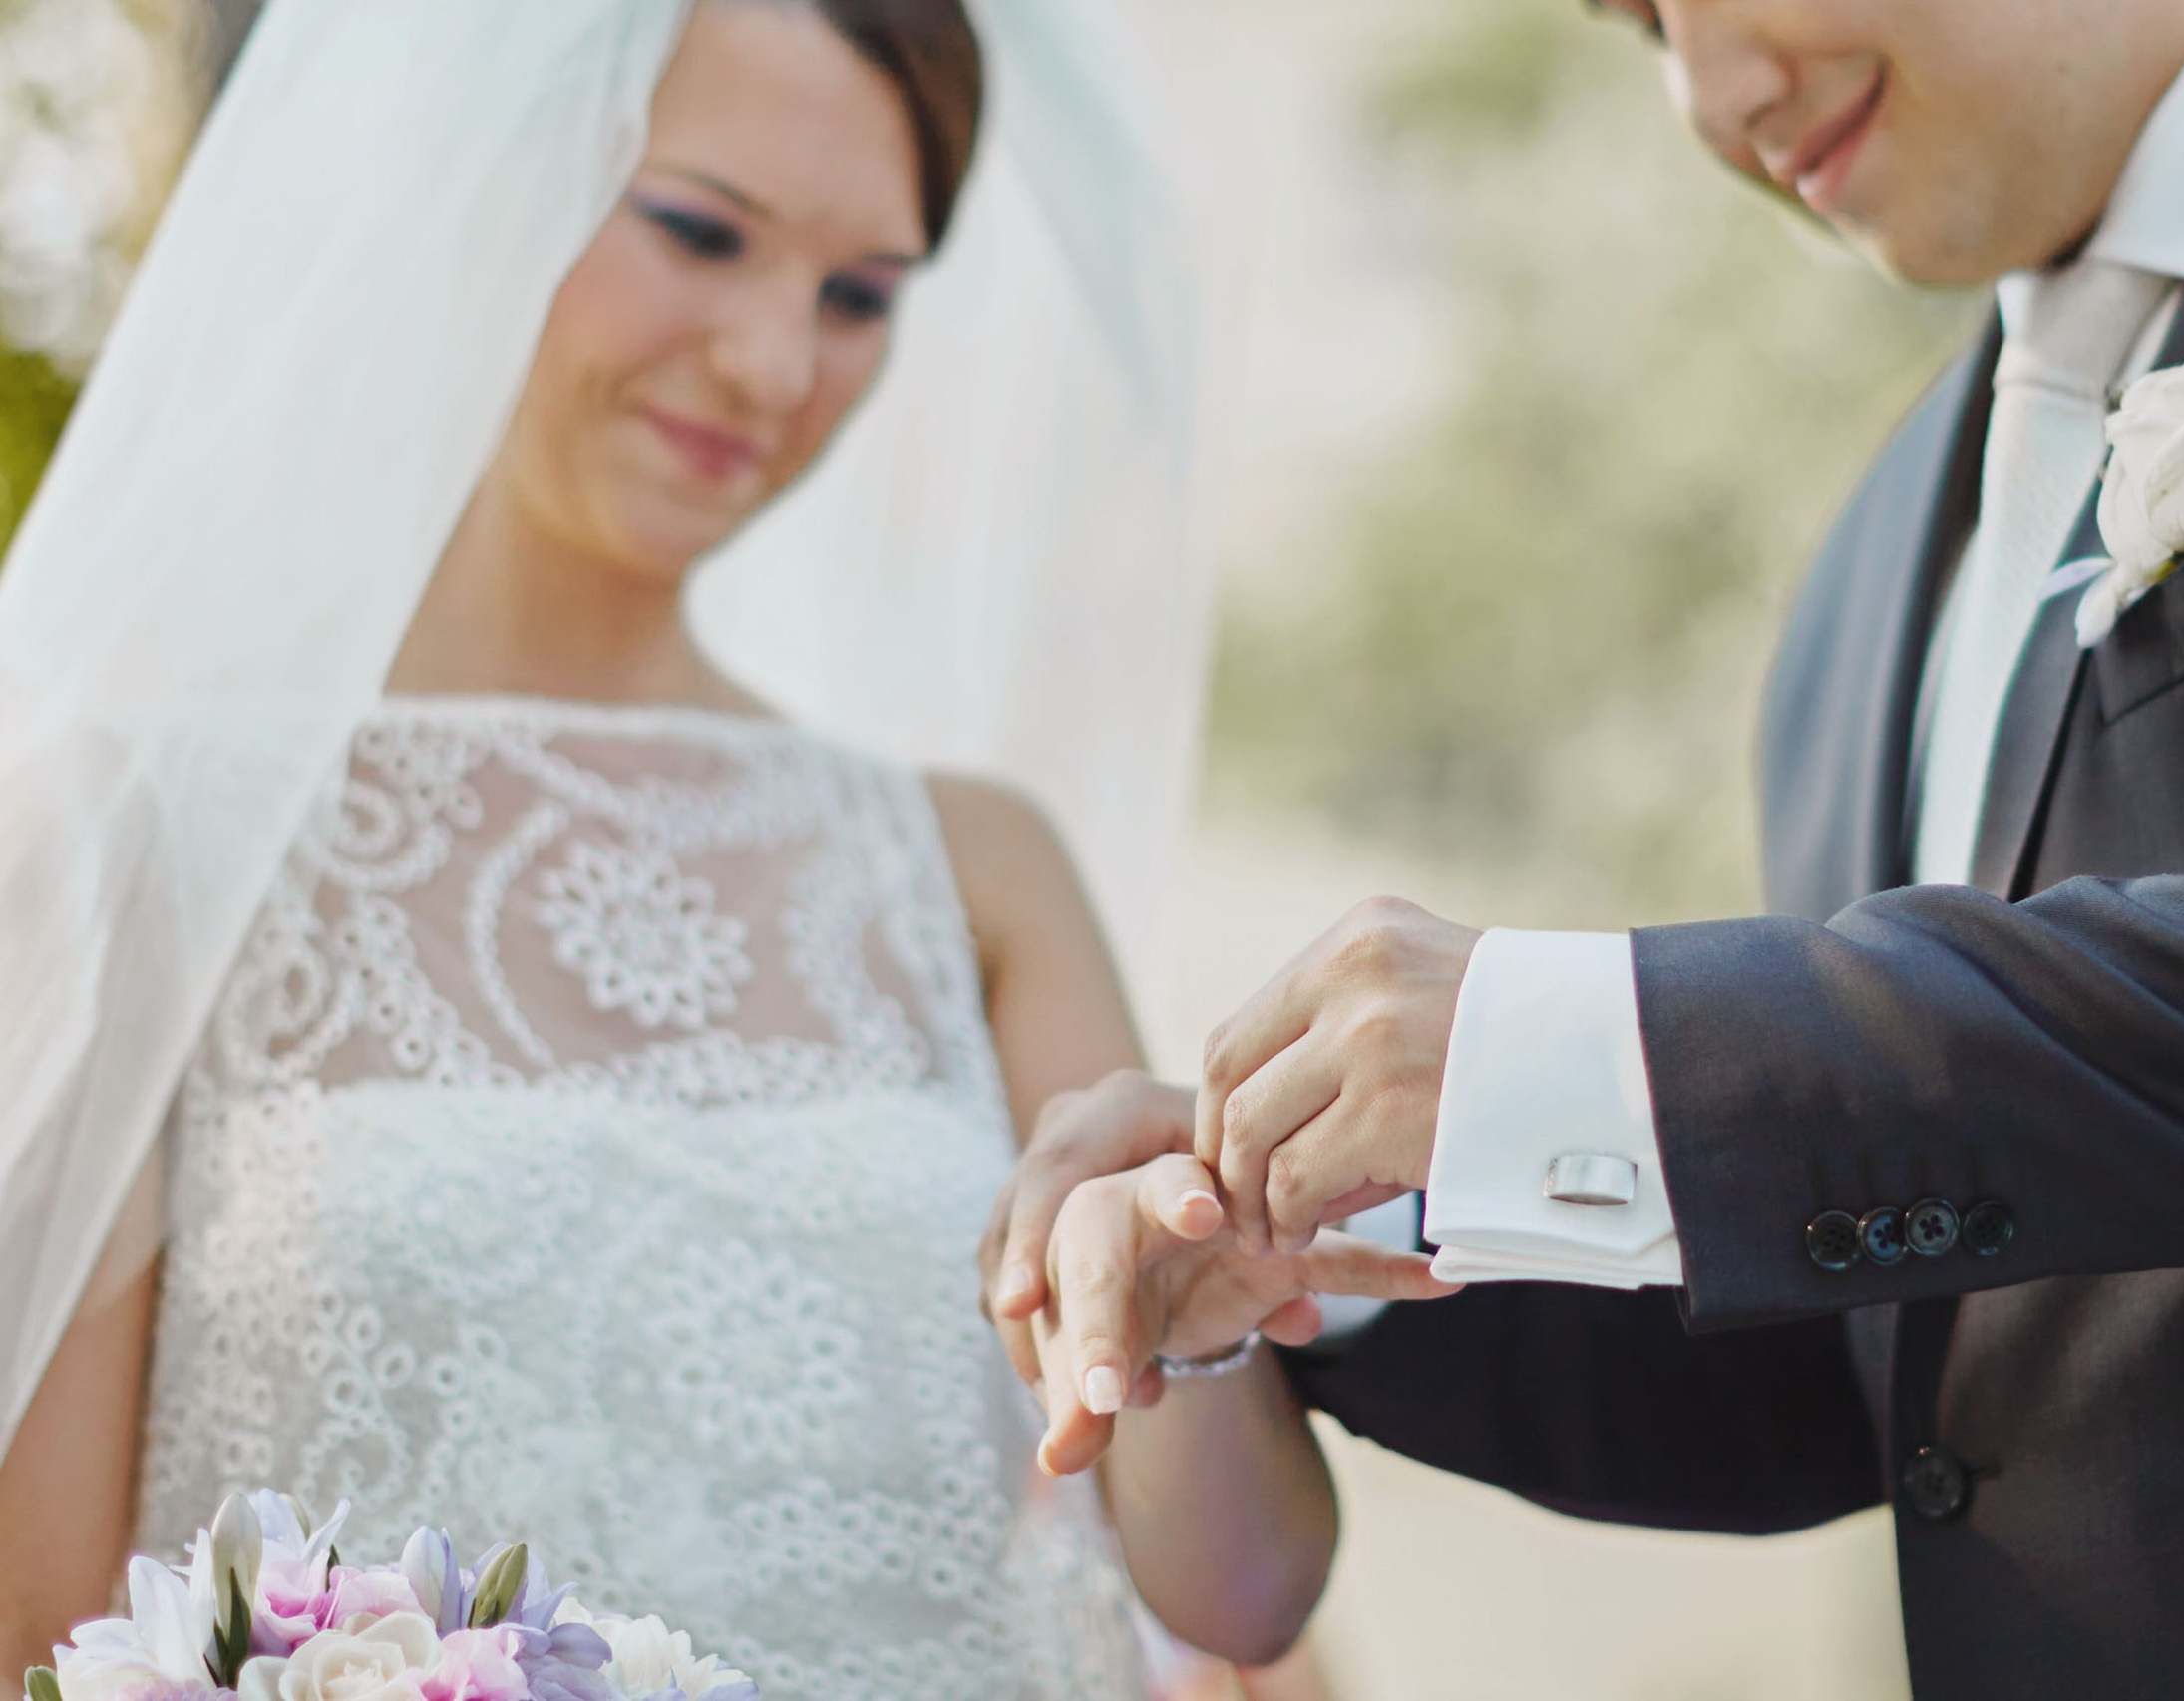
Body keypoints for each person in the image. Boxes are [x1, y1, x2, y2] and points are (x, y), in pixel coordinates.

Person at [987, 0, 2184, 1694]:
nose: (1711, 103)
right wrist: (1333, 1241)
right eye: (1636, 28)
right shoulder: (1869, 583)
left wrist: (1613, 1040)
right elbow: (1884, 1365)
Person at [0, 1, 1442, 1695]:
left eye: (859, 296)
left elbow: (1245, 1595)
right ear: (478, 178)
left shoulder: (971, 869)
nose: (775, 364)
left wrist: (1190, 1348)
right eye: (698, 231)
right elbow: (41, 1628)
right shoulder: (150, 839)